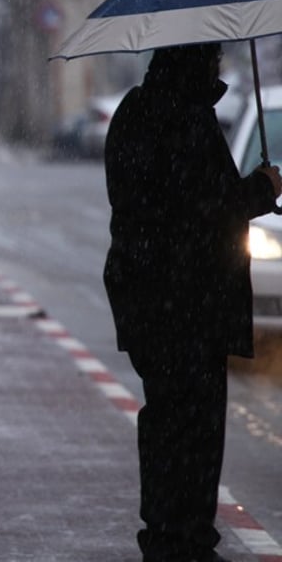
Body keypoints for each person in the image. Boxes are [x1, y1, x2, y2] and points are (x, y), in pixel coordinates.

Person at [103, 42, 282, 562]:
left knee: (166, 421)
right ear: (194, 62)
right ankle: (185, 538)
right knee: (195, 428)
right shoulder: (183, 118)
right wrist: (261, 188)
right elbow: (205, 207)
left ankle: (165, 534)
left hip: (149, 296)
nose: (221, 66)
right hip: (187, 300)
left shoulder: (135, 110)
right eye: (214, 59)